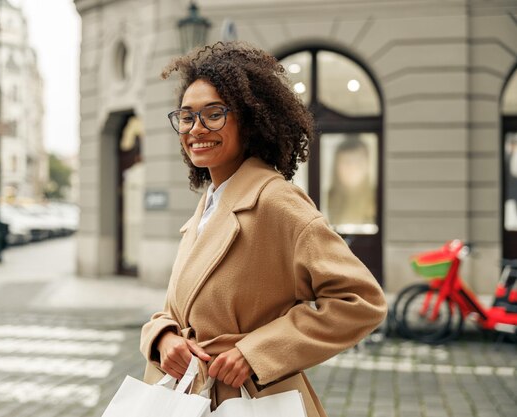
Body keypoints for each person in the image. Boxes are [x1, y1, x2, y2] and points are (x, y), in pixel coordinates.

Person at [139, 41, 387, 415]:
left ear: (250, 121)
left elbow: (360, 300)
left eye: (214, 114)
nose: (196, 128)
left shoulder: (275, 201)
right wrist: (163, 336)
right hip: (188, 395)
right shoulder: (211, 201)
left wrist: (256, 352)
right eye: (186, 116)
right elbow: (183, 309)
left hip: (249, 400)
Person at [327, 135, 376, 227]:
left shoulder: (377, 198)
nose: (352, 168)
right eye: (346, 162)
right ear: (336, 166)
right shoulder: (326, 199)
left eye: (358, 162)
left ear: (367, 165)